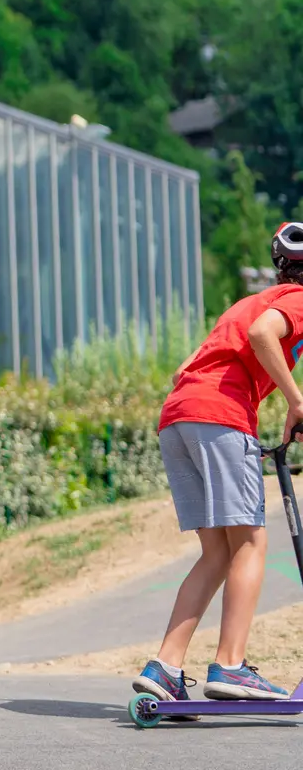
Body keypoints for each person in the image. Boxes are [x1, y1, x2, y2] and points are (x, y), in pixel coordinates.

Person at [132, 222, 303, 706]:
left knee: (218, 553)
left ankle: (165, 667)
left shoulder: (249, 301)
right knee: (250, 539)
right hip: (219, 418)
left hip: (178, 418)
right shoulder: (294, 302)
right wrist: (295, 401)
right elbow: (262, 335)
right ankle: (231, 666)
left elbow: (185, 367)